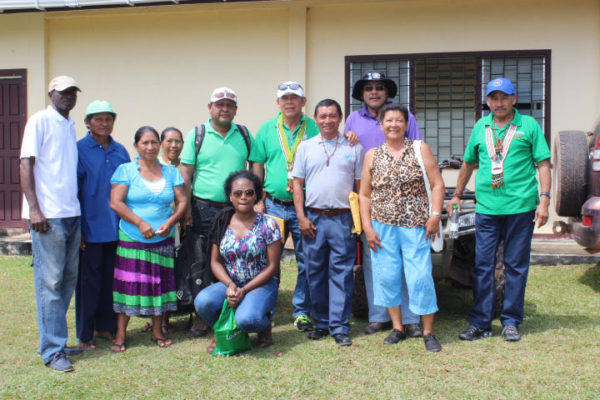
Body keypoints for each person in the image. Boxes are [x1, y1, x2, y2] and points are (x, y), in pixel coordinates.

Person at [449, 78, 551, 342]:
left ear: (514, 99)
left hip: (520, 207)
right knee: (482, 265)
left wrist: (545, 200)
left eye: (504, 97)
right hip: (487, 209)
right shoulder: (480, 127)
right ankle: (481, 322)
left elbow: (543, 164)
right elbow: (468, 163)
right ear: (488, 102)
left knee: (515, 265)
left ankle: (511, 321)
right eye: (493, 98)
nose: (499, 103)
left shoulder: (528, 125)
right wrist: (457, 195)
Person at [359, 104, 443, 352]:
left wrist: (435, 215)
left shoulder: (419, 149)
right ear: (382, 124)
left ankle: (428, 331)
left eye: (398, 120)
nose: (393, 124)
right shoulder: (372, 155)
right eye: (389, 120)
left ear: (406, 124)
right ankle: (398, 327)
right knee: (387, 276)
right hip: (382, 227)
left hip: (415, 225)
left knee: (420, 276)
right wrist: (367, 227)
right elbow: (364, 195)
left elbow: (438, 185)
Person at [345, 71, 424, 337]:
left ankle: (411, 318)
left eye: (380, 87)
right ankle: (379, 315)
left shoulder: (405, 117)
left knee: (406, 261)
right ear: (362, 94)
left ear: (388, 92)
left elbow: (418, 151)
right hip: (369, 199)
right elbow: (347, 153)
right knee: (374, 259)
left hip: (405, 203)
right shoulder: (353, 119)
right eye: (369, 88)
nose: (375, 92)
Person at [20, 75, 83, 372]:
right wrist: (34, 209)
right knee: (50, 283)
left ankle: (57, 340)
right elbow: (25, 163)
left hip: (71, 213)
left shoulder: (69, 124)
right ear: (51, 94)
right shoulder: (39, 120)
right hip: (49, 216)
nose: (68, 96)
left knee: (67, 281)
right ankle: (52, 351)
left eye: (72, 92)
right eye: (62, 92)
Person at [180, 87, 254, 337]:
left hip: (236, 208)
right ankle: (201, 315)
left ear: (235, 110)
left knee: (233, 259)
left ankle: (235, 305)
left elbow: (254, 169)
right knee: (201, 261)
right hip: (203, 208)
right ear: (210, 107)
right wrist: (186, 208)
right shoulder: (197, 135)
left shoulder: (244, 134)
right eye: (219, 105)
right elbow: (186, 174)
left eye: (229, 105)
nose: (224, 109)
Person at [292, 99, 364, 346]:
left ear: (340, 117)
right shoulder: (305, 147)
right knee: (315, 271)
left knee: (342, 273)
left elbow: (359, 186)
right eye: (322, 116)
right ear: (315, 118)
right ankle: (321, 322)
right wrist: (300, 216)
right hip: (312, 218)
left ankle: (340, 325)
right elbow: (297, 184)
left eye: (332, 116)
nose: (327, 121)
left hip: (342, 219)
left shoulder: (354, 147)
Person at [110, 126, 187, 352]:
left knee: (159, 285)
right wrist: (140, 223)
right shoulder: (125, 170)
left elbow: (182, 201)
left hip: (162, 239)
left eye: (154, 142)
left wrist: (171, 222)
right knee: (129, 285)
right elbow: (116, 203)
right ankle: (121, 334)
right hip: (132, 238)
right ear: (136, 146)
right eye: (145, 142)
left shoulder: (171, 172)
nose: (150, 147)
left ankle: (157, 331)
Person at [250, 81, 319, 332]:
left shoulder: (315, 126)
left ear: (303, 102)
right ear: (278, 103)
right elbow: (257, 165)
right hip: (273, 206)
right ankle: (266, 307)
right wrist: (258, 200)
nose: (290, 102)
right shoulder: (267, 129)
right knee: (269, 260)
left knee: (306, 259)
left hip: (305, 206)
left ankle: (301, 311)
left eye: (295, 98)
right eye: (285, 98)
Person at [194, 170, 282, 352]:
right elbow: (215, 261)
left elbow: (272, 266)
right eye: (238, 193)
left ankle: (263, 325)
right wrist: (231, 285)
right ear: (230, 197)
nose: (244, 197)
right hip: (231, 283)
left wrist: (244, 290)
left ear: (256, 195)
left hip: (260, 284)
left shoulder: (268, 224)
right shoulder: (221, 222)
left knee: (248, 320)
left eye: (249, 192)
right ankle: (223, 331)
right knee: (203, 302)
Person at [76, 100, 130, 350]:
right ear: (88, 122)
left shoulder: (120, 151)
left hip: (117, 229)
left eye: (108, 119)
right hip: (90, 229)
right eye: (98, 119)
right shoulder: (78, 149)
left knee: (111, 281)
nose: (104, 123)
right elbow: (74, 191)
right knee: (89, 284)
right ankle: (85, 334)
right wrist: (79, 231)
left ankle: (105, 327)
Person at [140, 126, 184, 336]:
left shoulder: (185, 167)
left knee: (172, 272)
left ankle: (166, 317)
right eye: (169, 141)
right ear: (160, 144)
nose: (174, 145)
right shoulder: (154, 167)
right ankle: (158, 318)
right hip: (157, 230)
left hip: (180, 226)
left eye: (178, 141)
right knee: (155, 272)